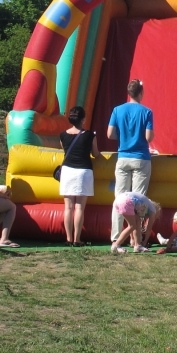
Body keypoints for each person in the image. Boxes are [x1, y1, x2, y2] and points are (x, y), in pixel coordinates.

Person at [107, 79, 155, 241]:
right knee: (138, 199)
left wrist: (123, 138)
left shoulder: (117, 110)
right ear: (140, 93)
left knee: (119, 198)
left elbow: (110, 134)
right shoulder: (146, 112)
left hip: (123, 157)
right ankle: (135, 239)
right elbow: (148, 137)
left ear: (129, 93)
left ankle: (115, 236)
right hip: (141, 158)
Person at [59, 106, 99, 247]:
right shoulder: (89, 135)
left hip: (68, 171)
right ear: (83, 119)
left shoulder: (63, 135)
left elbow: (63, 149)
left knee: (68, 208)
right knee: (79, 208)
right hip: (83, 171)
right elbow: (96, 154)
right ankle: (77, 239)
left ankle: (68, 238)